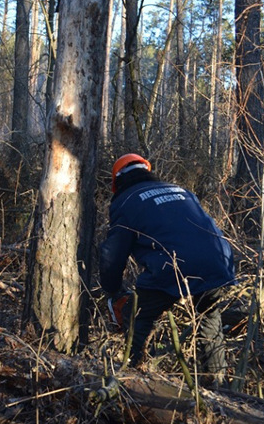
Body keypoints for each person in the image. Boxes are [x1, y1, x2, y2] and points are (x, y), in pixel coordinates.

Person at [99, 154, 235, 386]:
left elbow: (112, 254)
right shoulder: (180, 190)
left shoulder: (125, 201)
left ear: (116, 183)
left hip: (173, 266)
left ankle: (132, 382)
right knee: (209, 317)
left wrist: (112, 291)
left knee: (140, 319)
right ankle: (218, 389)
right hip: (219, 261)